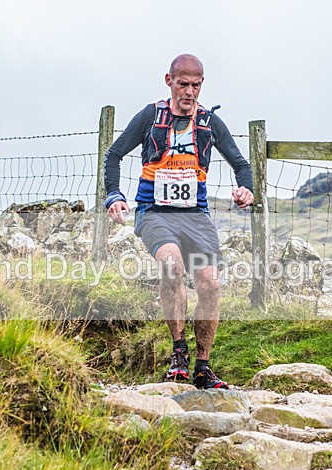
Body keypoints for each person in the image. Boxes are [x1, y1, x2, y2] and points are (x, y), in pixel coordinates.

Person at [103, 53, 254, 389]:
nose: (189, 92)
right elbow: (113, 154)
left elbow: (241, 165)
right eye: (183, 84)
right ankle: (178, 354)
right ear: (168, 80)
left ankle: (202, 366)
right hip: (154, 213)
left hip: (196, 217)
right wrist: (114, 195)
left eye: (196, 85)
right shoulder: (151, 116)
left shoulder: (209, 123)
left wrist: (247, 189)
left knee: (210, 284)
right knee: (171, 264)